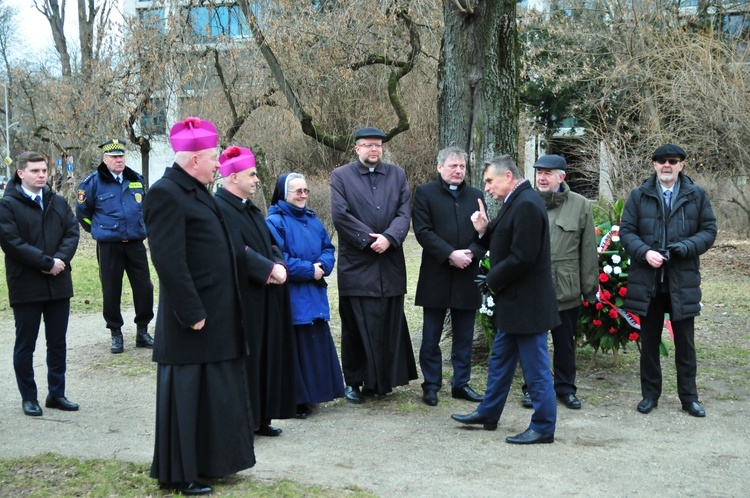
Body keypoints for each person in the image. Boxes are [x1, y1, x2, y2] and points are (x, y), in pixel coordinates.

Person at [143, 118, 255, 495]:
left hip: (218, 313)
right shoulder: (166, 193)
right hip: (192, 318)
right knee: (189, 396)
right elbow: (169, 261)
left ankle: (211, 462)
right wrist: (191, 312)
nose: (217, 165)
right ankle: (182, 473)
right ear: (193, 160)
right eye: (212, 158)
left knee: (216, 393)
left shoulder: (198, 189)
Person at [451, 155, 559, 445]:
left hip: (528, 305)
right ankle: (489, 412)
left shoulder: (526, 204)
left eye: (489, 180)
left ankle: (544, 426)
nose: (486, 187)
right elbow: (502, 238)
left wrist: (490, 280)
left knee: (535, 369)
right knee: (500, 360)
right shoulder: (517, 201)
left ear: (508, 176)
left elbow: (523, 257)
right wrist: (484, 229)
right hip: (514, 304)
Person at [620, 144, 716, 418]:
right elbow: (627, 231)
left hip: (681, 282)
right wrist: (645, 252)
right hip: (648, 283)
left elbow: (708, 231)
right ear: (654, 165)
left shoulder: (697, 195)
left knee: (685, 344)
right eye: (661, 161)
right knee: (649, 343)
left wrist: (685, 247)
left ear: (681, 165)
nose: (666, 165)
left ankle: (689, 398)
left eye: (672, 161)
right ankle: (650, 395)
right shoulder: (639, 195)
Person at [330, 126, 418, 403]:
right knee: (356, 326)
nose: (374, 150)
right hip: (357, 266)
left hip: (389, 264)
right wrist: (370, 240)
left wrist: (390, 238)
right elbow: (340, 215)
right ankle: (354, 382)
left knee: (388, 325)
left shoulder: (397, 175)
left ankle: (382, 382)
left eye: (378, 145)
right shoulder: (341, 176)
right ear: (357, 149)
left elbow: (405, 212)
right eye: (368, 145)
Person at [215, 146, 297, 436]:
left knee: (267, 356)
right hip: (245, 297)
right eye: (252, 174)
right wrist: (266, 269)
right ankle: (246, 419)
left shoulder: (250, 208)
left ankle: (263, 416)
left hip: (268, 295)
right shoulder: (220, 208)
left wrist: (278, 262)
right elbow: (235, 250)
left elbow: (269, 243)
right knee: (249, 359)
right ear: (233, 177)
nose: (257, 180)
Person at [0, 151, 80, 417]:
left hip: (58, 283)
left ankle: (56, 393)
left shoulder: (57, 202)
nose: (41, 175)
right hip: (27, 286)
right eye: (35, 171)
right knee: (26, 344)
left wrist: (59, 260)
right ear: (20, 173)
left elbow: (72, 231)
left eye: (44, 170)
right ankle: (29, 397)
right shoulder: (8, 205)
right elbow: (12, 243)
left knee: (57, 342)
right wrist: (47, 262)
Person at [518, 154, 598, 410]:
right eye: (539, 172)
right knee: (533, 345)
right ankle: (531, 388)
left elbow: (587, 250)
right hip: (534, 289)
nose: (541, 177)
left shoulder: (581, 204)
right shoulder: (525, 201)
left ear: (561, 177)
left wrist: (589, 290)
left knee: (565, 344)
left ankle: (565, 388)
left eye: (548, 173)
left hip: (567, 288)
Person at [266, 173, 345, 418]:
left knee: (315, 343)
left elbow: (328, 248)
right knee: (297, 346)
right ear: (284, 194)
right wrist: (309, 270)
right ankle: (298, 399)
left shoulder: (313, 220)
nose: (303, 195)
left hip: (314, 291)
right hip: (293, 295)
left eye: (306, 191)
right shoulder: (274, 222)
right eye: (297, 191)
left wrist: (321, 266)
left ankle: (316, 394)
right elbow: (279, 258)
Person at [412, 146, 486, 407]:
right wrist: (449, 254)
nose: (458, 171)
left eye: (462, 166)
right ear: (439, 167)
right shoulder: (425, 193)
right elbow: (422, 231)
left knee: (464, 336)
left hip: (467, 273)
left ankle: (461, 384)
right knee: (431, 336)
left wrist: (471, 254)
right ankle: (431, 384)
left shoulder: (476, 196)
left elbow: (484, 233)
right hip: (437, 273)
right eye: (453, 166)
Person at [76, 139, 154, 354]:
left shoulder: (135, 180)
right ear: (105, 159)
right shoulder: (92, 182)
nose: (119, 160)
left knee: (144, 288)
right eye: (114, 157)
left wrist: (142, 227)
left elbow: (144, 209)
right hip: (109, 246)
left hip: (135, 244)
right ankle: (116, 333)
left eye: (121, 156)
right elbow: (83, 214)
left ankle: (142, 331)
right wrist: (98, 231)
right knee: (111, 290)